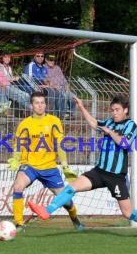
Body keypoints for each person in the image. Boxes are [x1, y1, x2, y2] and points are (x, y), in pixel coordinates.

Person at [28, 95, 137, 239]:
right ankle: (47, 211)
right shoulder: (109, 122)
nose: (114, 113)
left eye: (117, 110)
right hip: (99, 171)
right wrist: (82, 107)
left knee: (128, 213)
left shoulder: (130, 125)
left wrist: (110, 132)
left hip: (116, 176)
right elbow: (94, 123)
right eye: (112, 110)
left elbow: (125, 144)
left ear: (125, 110)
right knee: (72, 187)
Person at [7, 91, 83, 231]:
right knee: (18, 187)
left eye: (42, 103)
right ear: (31, 105)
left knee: (65, 200)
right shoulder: (25, 124)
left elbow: (60, 144)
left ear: (46, 105)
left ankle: (75, 218)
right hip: (30, 165)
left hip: (49, 167)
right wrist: (16, 159)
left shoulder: (54, 121)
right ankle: (18, 223)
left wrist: (65, 166)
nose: (40, 106)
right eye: (37, 103)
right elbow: (19, 145)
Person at [0, 49, 31, 114]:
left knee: (26, 95)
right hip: (2, 86)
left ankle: (29, 111)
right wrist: (1, 84)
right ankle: (35, 111)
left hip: (8, 84)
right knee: (20, 96)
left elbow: (5, 76)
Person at [44, 54, 76, 118]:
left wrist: (67, 86)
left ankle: (71, 114)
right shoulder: (43, 68)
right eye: (50, 60)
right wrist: (54, 86)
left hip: (62, 87)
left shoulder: (57, 68)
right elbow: (45, 81)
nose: (52, 61)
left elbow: (63, 79)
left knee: (73, 97)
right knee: (63, 95)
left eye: (53, 60)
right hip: (54, 88)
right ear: (46, 60)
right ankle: (62, 114)